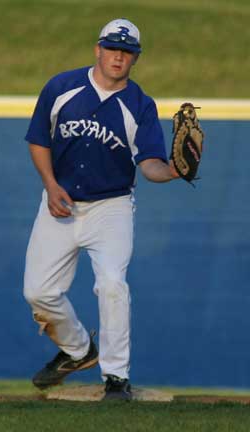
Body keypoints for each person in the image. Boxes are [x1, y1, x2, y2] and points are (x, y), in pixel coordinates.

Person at [24, 18, 179, 401]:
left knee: (112, 284)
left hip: (111, 208)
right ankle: (78, 350)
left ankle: (116, 378)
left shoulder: (140, 106)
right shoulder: (62, 87)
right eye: (112, 48)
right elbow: (39, 139)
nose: (118, 56)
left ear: (135, 59)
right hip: (59, 201)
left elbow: (150, 166)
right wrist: (50, 183)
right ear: (98, 49)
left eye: (126, 52)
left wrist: (175, 170)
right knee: (39, 292)